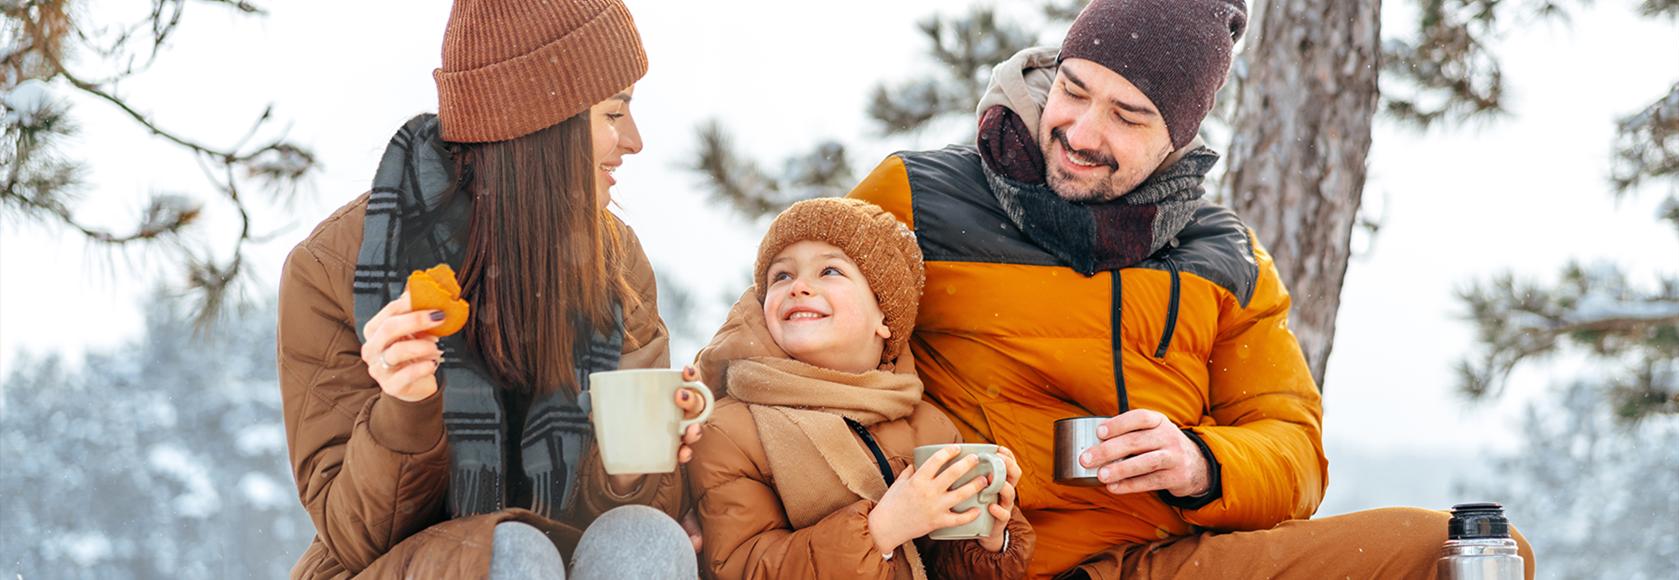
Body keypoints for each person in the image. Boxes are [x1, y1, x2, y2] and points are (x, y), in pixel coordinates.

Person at [844, 0, 1536, 578]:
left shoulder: (1222, 257)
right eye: (1074, 90)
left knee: (1472, 551)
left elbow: (1293, 453)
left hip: (1164, 563)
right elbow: (773, 344)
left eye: (1128, 115)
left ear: (1178, 135)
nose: (1082, 132)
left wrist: (1199, 462)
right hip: (985, 558)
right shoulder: (917, 199)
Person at [276, 1, 702, 577]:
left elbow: (644, 514)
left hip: (564, 556)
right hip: (402, 567)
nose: (634, 139)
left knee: (645, 539)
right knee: (511, 551)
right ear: (536, 121)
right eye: (613, 111)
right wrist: (405, 406)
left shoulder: (615, 259)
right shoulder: (334, 267)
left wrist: (634, 470)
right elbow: (354, 536)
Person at [686, 198, 1035, 579]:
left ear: (884, 316)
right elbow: (742, 568)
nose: (800, 286)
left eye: (830, 270)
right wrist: (881, 530)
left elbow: (942, 565)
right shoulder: (729, 429)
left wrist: (988, 537)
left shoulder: (926, 424)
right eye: (781, 276)